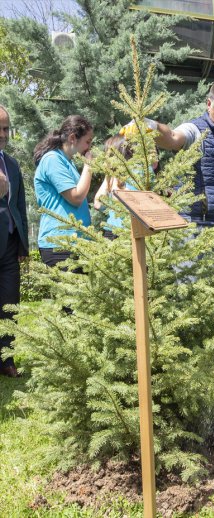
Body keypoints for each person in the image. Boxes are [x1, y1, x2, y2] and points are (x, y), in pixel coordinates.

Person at [152, 78, 214, 268]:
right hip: (193, 232)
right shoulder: (195, 131)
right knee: (189, 294)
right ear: (209, 104)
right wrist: (149, 126)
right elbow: (172, 138)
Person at [33, 115, 94, 268]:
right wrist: (89, 165)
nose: (89, 147)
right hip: (59, 244)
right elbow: (76, 197)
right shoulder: (52, 159)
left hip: (76, 242)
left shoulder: (68, 162)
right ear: (73, 138)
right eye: (87, 142)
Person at [0, 105, 29, 378]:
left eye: (6, 128)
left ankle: (6, 359)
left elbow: (19, 205)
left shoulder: (12, 164)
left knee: (10, 303)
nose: (3, 134)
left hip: (9, 245)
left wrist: (23, 244)